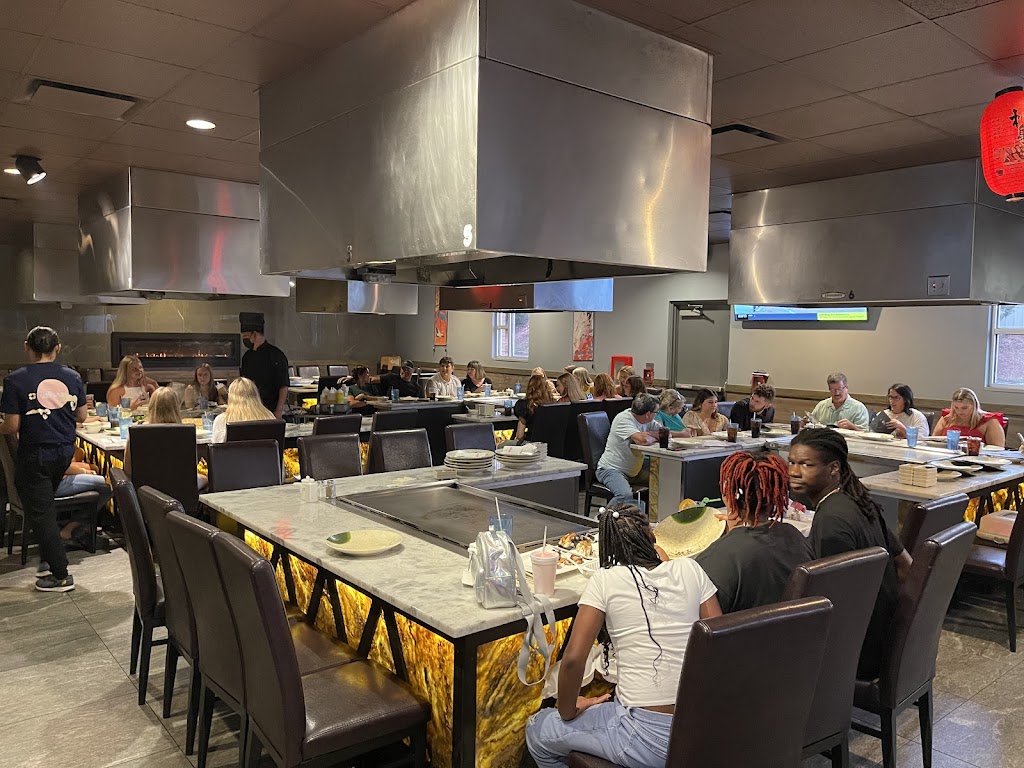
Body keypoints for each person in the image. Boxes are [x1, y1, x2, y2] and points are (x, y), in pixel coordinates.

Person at [526, 503, 721, 768]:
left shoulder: (606, 579)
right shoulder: (690, 569)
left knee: (537, 728)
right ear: (652, 536)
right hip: (703, 727)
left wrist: (568, 710)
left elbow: (572, 660)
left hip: (646, 736)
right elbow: (719, 641)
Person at [788, 428, 912, 679]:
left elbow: (832, 603)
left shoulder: (831, 520)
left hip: (859, 653)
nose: (794, 471)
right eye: (791, 462)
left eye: (806, 464)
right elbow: (906, 564)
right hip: (883, 634)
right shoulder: (858, 499)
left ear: (834, 468)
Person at [0, 327, 88, 592]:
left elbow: (12, 426)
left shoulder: (15, 380)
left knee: (42, 513)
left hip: (35, 454)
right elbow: (82, 416)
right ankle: (50, 559)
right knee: (45, 509)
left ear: (27, 346)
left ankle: (61, 575)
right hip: (64, 453)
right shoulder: (72, 376)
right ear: (57, 348)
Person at [695, 452, 812, 613]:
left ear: (728, 494)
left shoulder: (716, 557)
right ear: (776, 494)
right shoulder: (795, 537)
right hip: (797, 627)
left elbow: (701, 620)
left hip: (740, 629)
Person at [126, 387, 208, 490]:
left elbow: (127, 469)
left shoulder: (137, 431)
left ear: (151, 406)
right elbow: (189, 470)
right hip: (181, 490)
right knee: (206, 477)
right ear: (176, 407)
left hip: (145, 492)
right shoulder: (185, 432)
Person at [596, 393, 660, 506]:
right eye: (656, 412)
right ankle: (606, 516)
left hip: (634, 471)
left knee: (664, 481)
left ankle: (649, 515)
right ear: (648, 414)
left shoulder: (647, 421)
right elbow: (643, 440)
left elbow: (664, 433)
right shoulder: (623, 419)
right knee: (624, 495)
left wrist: (683, 434)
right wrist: (652, 436)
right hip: (611, 469)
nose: (656, 415)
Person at [55, 447, 113, 551]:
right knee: (109, 485)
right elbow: (63, 467)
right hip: (56, 484)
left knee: (95, 469)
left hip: (43, 483)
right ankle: (75, 525)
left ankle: (83, 525)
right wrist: (84, 471)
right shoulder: (51, 441)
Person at [238, 312, 289, 419]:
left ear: (255, 334)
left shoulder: (276, 355)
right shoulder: (247, 357)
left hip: (270, 408)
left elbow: (283, 386)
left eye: (246, 336)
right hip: (250, 408)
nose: (244, 339)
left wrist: (278, 410)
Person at [932, 387, 1005, 448]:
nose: (960, 411)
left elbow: (997, 448)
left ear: (974, 405)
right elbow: (933, 440)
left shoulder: (988, 421)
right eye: (956, 407)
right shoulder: (947, 418)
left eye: (964, 408)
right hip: (945, 455)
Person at [211, 377, 275, 444]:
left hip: (234, 451)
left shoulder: (222, 420)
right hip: (263, 451)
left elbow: (216, 447)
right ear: (256, 394)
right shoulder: (269, 416)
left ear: (230, 397)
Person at [862, 383, 931, 438]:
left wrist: (902, 427)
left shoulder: (916, 416)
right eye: (890, 397)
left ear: (905, 400)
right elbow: (871, 433)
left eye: (896, 398)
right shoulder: (883, 415)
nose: (892, 401)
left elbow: (922, 439)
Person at [513, 374, 554, 440]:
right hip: (549, 442)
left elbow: (519, 436)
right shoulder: (553, 405)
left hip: (531, 441)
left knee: (503, 444)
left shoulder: (525, 406)